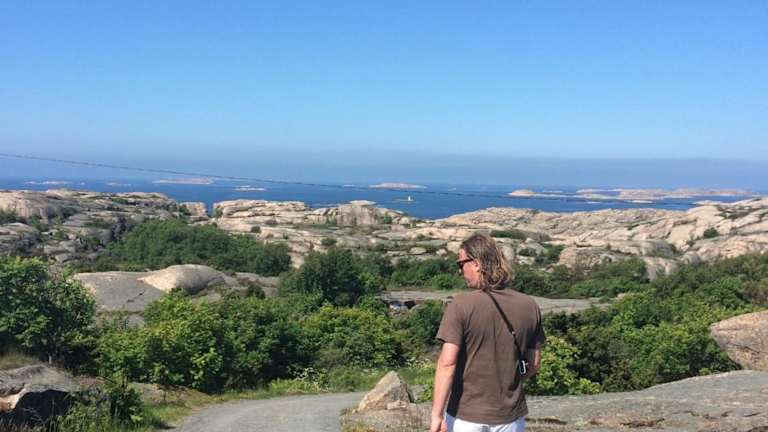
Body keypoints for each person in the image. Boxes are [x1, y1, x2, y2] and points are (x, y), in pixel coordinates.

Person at [431, 233, 546, 432]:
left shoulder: (461, 305)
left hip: (465, 415)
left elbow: (447, 362)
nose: (460, 271)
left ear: (476, 263)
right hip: (510, 417)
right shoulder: (529, 305)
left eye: (461, 264)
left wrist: (437, 414)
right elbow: (534, 363)